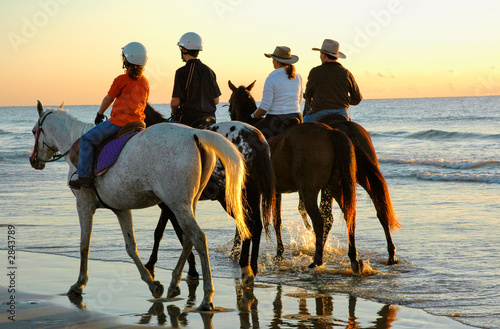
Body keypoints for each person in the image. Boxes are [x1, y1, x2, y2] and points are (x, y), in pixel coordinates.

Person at [69, 42, 150, 189]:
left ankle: (85, 177)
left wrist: (100, 114)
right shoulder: (145, 82)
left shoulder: (121, 80)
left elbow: (108, 99)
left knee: (86, 140)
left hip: (120, 123)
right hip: (138, 124)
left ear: (127, 60)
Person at [251, 46, 303, 139]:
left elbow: (265, 107)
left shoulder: (271, 78)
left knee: (251, 137)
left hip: (276, 121)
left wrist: (253, 116)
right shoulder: (298, 77)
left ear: (276, 61)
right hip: (297, 117)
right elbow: (299, 101)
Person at [303, 39, 362, 122]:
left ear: (324, 55)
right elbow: (357, 99)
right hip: (342, 113)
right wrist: (341, 100)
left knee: (299, 127)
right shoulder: (346, 73)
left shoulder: (315, 72)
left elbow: (308, 95)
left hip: (319, 113)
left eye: (320, 54)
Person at [171, 32, 221, 127]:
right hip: (210, 120)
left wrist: (173, 110)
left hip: (188, 120)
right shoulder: (210, 71)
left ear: (184, 50)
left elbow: (175, 102)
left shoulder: (181, 72)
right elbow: (216, 100)